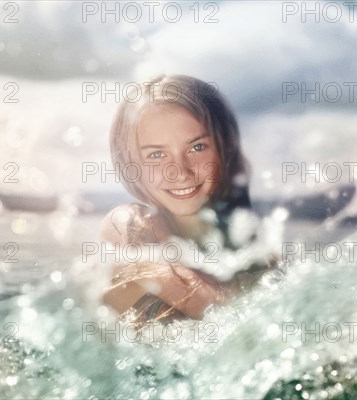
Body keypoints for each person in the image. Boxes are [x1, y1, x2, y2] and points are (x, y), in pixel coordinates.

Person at [99, 75, 258, 324]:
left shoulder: (254, 252)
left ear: (225, 149)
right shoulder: (129, 223)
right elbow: (210, 306)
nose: (180, 172)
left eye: (197, 148)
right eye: (156, 154)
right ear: (130, 164)